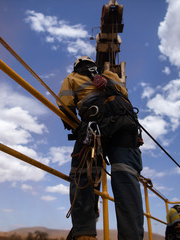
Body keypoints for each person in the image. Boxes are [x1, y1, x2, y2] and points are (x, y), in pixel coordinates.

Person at [58, 56, 144, 240]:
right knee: (127, 178)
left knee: (81, 174)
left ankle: (84, 233)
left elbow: (64, 106)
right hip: (127, 128)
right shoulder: (111, 75)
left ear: (76, 66)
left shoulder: (72, 77)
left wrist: (76, 128)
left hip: (95, 126)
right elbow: (125, 95)